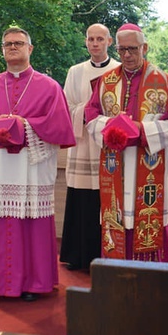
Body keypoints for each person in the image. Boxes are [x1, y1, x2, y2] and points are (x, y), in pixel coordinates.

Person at [0, 26, 75, 301]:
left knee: (31, 220)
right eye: (8, 44)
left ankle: (34, 283)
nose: (13, 47)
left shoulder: (49, 86)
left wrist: (24, 126)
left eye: (19, 43)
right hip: (0, 166)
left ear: (30, 49)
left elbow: (58, 126)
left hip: (31, 167)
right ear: (2, 50)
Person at [85, 23, 168, 262]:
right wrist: (111, 131)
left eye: (132, 49)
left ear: (145, 47)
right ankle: (113, 281)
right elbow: (90, 114)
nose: (127, 55)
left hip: (148, 162)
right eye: (122, 50)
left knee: (148, 219)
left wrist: (142, 131)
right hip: (114, 162)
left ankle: (150, 282)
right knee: (115, 218)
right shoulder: (105, 81)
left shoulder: (163, 80)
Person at [59, 23, 121, 271]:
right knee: (81, 198)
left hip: (108, 145)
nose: (95, 43)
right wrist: (87, 110)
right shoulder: (75, 71)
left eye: (100, 39)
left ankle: (106, 253)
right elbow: (66, 106)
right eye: (91, 39)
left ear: (109, 42)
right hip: (83, 141)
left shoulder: (119, 69)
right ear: (85, 42)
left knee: (105, 199)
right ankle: (77, 255)